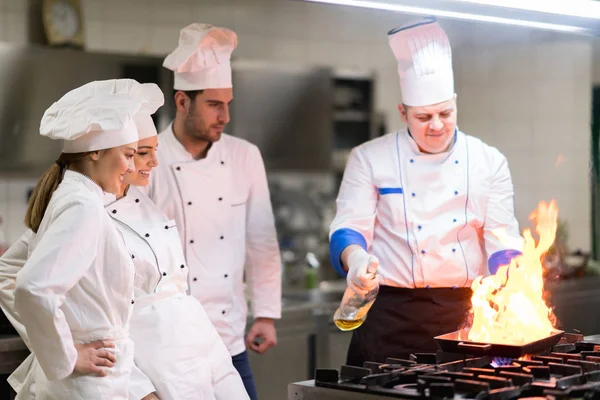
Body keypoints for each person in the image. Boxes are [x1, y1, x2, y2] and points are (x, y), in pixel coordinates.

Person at [0, 79, 249, 400]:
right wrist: (61, 347)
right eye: (135, 153)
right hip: (139, 366)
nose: (145, 163)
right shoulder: (81, 205)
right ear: (99, 153)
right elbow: (19, 280)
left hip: (194, 351)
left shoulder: (140, 202)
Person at [328, 17, 524, 366]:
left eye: (445, 113)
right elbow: (349, 227)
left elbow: (501, 237)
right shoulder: (370, 158)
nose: (437, 125)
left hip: (465, 315)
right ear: (403, 112)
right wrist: (356, 259)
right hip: (389, 318)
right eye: (423, 117)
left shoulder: (488, 161)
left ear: (456, 104)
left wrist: (510, 274)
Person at [143, 23, 282, 399]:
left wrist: (266, 315)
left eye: (228, 104)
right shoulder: (147, 158)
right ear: (183, 101)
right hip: (170, 346)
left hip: (228, 339)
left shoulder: (244, 156)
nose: (225, 116)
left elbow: (261, 240)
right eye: (214, 105)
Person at [11, 80, 143, 399]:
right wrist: (68, 357)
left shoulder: (75, 196)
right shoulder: (82, 205)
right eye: (128, 155)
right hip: (87, 383)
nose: (132, 167)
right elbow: (33, 287)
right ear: (95, 152)